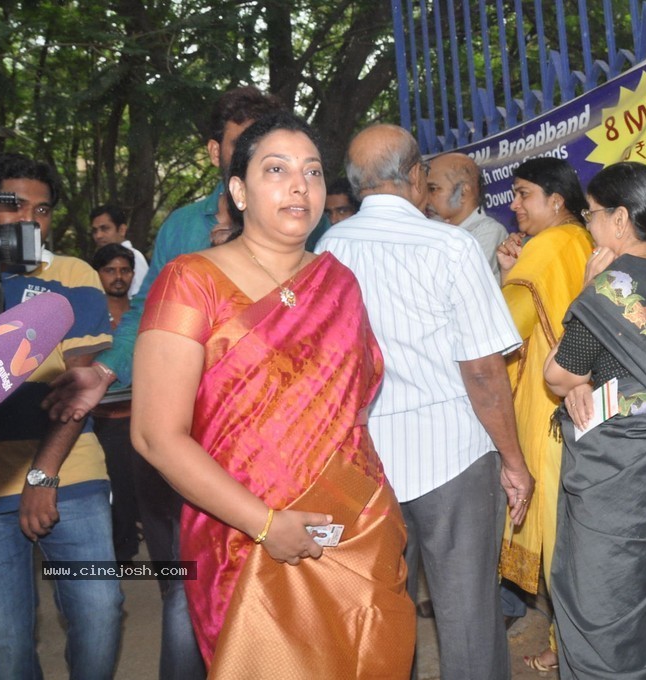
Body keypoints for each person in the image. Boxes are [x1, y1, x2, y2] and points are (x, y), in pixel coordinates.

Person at [131, 112, 415, 677]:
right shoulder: (192, 281)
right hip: (241, 535)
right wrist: (265, 523)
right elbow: (154, 435)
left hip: (351, 525)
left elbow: (351, 411)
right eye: (276, 169)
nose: (298, 185)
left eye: (311, 172)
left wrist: (365, 508)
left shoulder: (338, 281)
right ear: (238, 190)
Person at [45, 84, 286, 680]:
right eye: (240, 145)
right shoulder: (182, 228)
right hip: (186, 440)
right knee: (187, 590)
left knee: (276, 590)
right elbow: (150, 315)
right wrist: (102, 372)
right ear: (214, 152)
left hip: (273, 443)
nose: (255, 157)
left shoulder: (296, 219)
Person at [316, 123, 533, 680]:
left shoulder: (329, 249)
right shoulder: (451, 246)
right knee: (467, 616)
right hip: (452, 457)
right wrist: (513, 461)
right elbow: (484, 372)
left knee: (381, 609)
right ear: (415, 177)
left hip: (367, 462)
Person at [543, 161, 646, 678]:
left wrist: (588, 291)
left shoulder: (609, 286)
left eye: (590, 215)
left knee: (602, 590)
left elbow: (557, 373)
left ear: (618, 218)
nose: (587, 226)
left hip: (612, 471)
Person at [0, 153, 123, 679]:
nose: (30, 220)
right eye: (15, 205)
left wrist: (42, 476)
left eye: (42, 210)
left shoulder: (72, 274)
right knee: (4, 645)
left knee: (100, 612)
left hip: (69, 469)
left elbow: (78, 385)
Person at [495, 156, 593, 672]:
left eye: (523, 193)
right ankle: (570, 640)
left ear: (556, 200)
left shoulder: (548, 248)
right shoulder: (585, 240)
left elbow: (503, 330)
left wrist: (509, 277)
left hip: (550, 407)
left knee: (559, 536)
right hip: (594, 400)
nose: (514, 205)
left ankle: (572, 647)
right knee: (580, 532)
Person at [89, 243, 141, 561]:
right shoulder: (89, 316)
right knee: (113, 489)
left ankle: (129, 542)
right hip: (101, 418)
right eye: (110, 270)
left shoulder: (140, 313)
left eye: (124, 270)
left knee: (137, 487)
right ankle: (118, 551)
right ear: (99, 274)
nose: (118, 277)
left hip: (139, 414)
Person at [426, 152, 508, 280]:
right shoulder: (438, 230)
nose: (427, 199)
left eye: (433, 189)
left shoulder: (489, 232)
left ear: (463, 192)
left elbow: (459, 283)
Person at [90, 204, 150, 297]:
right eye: (95, 230)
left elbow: (138, 299)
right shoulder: (100, 258)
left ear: (122, 230)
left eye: (105, 228)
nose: (98, 235)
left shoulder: (134, 257)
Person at [304, 177, 360, 250]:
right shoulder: (321, 242)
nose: (333, 220)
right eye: (328, 213)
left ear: (357, 210)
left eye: (342, 211)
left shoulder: (370, 242)